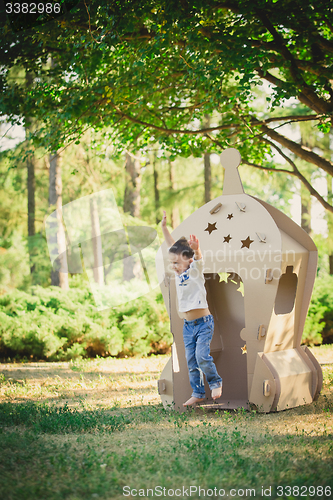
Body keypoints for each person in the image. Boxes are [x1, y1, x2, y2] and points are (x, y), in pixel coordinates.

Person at [161, 210, 222, 407]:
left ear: (188, 260)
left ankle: (215, 382)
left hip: (204, 324)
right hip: (187, 327)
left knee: (201, 356)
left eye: (177, 263)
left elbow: (198, 259)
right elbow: (173, 247)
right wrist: (164, 228)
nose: (174, 266)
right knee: (191, 362)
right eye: (172, 263)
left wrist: (196, 250)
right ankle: (198, 392)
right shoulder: (178, 275)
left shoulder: (195, 271)